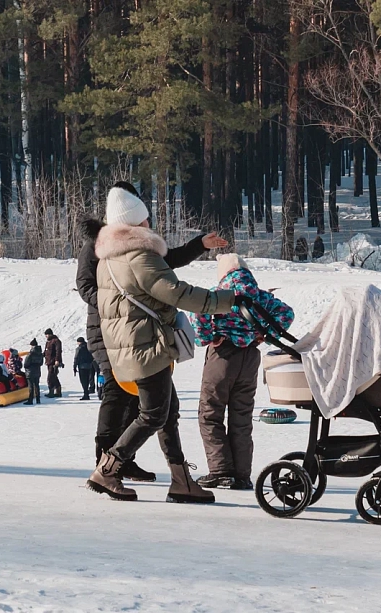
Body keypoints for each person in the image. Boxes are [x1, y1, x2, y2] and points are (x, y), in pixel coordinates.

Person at [85, 183, 242, 504]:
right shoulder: (138, 256)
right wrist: (231, 300)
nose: (149, 223)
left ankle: (181, 481)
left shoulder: (109, 258)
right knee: (154, 414)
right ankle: (108, 469)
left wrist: (197, 245)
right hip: (145, 347)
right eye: (144, 218)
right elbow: (178, 293)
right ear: (135, 222)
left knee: (167, 413)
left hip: (130, 345)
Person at [193, 254, 295, 490]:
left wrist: (209, 337)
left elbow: (198, 313)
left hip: (222, 357)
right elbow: (287, 314)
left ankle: (220, 471)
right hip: (250, 357)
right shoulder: (261, 296)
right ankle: (241, 475)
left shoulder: (217, 293)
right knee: (241, 418)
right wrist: (264, 335)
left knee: (210, 414)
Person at [43, 329, 63, 397]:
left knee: (50, 377)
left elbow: (58, 351)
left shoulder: (56, 341)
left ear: (50, 334)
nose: (46, 336)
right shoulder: (48, 342)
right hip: (48, 361)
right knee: (54, 376)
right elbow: (46, 352)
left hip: (53, 361)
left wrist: (57, 360)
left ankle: (51, 392)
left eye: (47, 334)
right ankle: (58, 391)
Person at [24, 338, 44, 405]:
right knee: (37, 385)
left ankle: (30, 400)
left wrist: (27, 368)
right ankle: (38, 399)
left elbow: (26, 364)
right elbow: (41, 363)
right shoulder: (40, 353)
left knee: (31, 386)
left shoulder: (30, 354)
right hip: (37, 371)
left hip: (30, 372)